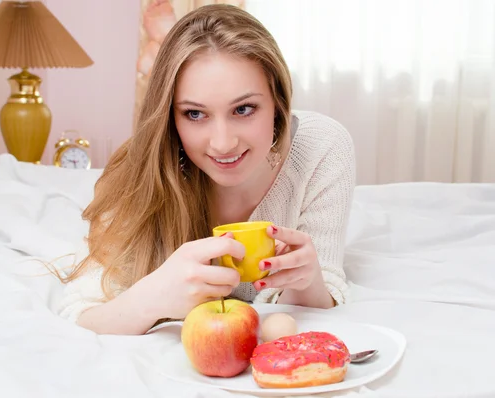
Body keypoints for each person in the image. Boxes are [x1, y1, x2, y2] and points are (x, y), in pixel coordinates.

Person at [55, 4, 356, 335]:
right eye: (195, 114)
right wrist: (154, 298)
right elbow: (79, 314)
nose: (223, 143)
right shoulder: (140, 173)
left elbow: (323, 297)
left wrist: (306, 282)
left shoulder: (322, 147)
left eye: (244, 109)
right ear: (170, 116)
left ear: (278, 103)